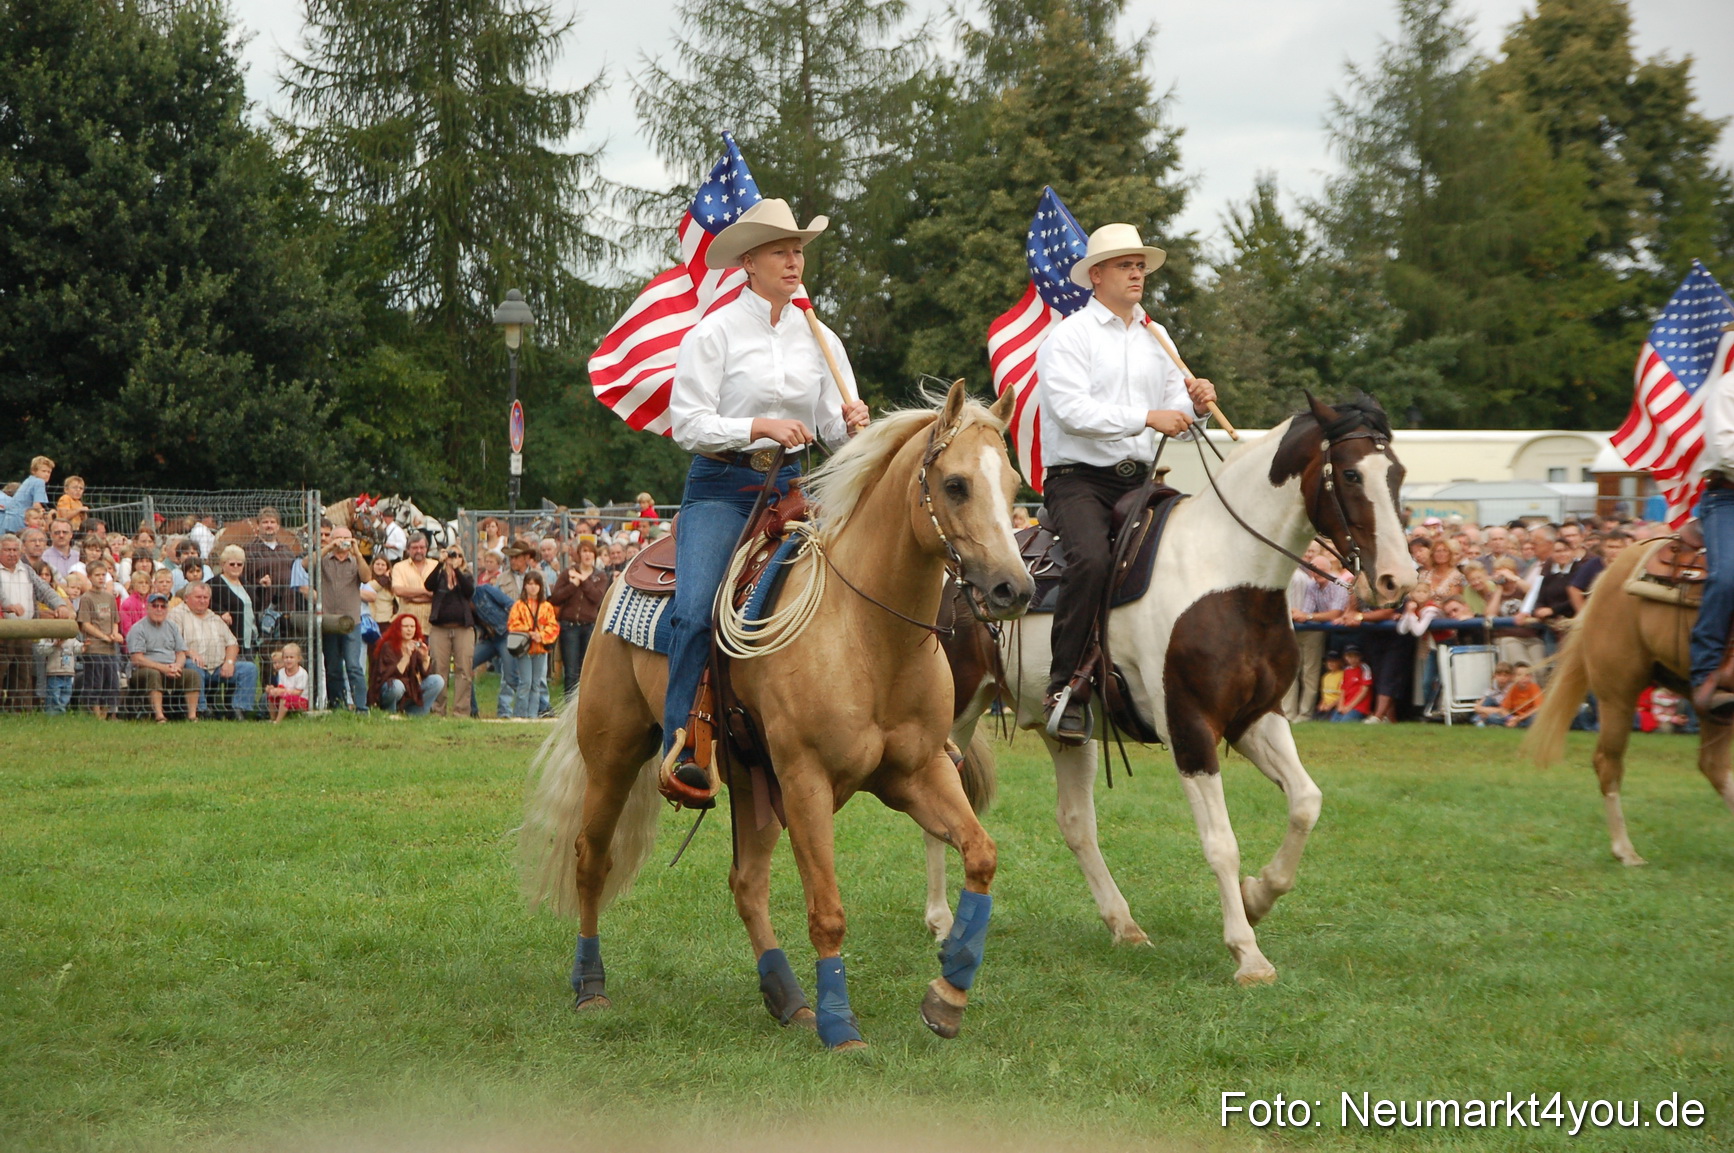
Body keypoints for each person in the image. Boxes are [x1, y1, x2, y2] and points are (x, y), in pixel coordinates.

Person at [660, 196, 869, 801]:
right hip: (724, 487)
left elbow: (833, 429)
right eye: (781, 250)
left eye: (798, 250)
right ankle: (683, 745)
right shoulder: (715, 332)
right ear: (748, 261)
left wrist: (851, 421)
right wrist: (757, 426)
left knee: (870, 575)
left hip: (797, 488)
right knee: (697, 609)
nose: (794, 260)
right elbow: (687, 425)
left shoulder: (820, 336)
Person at [1032, 221, 1217, 743]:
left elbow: (1174, 411)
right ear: (1096, 276)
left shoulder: (1158, 336)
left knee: (1190, 547)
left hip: (1142, 478)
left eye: (1140, 265)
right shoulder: (1069, 336)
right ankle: (1064, 686)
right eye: (1124, 265)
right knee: (1090, 558)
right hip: (1078, 481)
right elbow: (1071, 412)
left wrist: (1195, 406)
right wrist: (1148, 416)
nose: (1136, 273)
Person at [1, 532, 72, 712]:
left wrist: (60, 604)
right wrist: (6, 605)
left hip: (25, 630)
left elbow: (43, 589)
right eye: (7, 550)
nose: (12, 554)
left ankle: (20, 713)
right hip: (2, 631)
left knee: (23, 674)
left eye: (15, 550)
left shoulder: (26, 569)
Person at [170, 581, 258, 719]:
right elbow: (173, 641)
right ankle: (202, 710)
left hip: (218, 666)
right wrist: (189, 652)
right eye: (198, 597)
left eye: (205, 598)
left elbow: (232, 643)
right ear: (187, 598)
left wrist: (229, 662)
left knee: (249, 668)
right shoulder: (177, 615)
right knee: (192, 666)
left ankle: (239, 710)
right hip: (193, 665)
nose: (202, 601)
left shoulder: (215, 617)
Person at [1285, 547, 1349, 721]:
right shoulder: (1312, 585)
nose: (1316, 573)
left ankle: (1305, 714)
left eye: (1320, 570)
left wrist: (1307, 616)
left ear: (1328, 569)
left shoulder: (1338, 585)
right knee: (1293, 671)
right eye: (1313, 570)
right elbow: (1306, 610)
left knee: (1310, 674)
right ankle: (1289, 713)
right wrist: (1299, 614)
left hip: (1331, 634)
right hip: (1308, 629)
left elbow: (1335, 613)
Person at [319, 526, 373, 713]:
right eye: (339, 537)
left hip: (352, 623)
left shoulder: (355, 561)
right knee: (332, 666)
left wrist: (357, 553)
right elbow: (306, 565)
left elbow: (367, 577)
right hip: (329, 622)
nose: (342, 541)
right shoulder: (324, 559)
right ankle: (337, 705)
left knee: (353, 665)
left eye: (346, 538)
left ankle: (361, 707)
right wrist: (328, 547)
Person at [422, 544, 475, 717]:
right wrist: (440, 564)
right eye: (452, 555)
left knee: (464, 670)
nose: (454, 558)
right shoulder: (439, 576)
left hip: (463, 629)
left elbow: (469, 591)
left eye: (458, 555)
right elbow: (428, 586)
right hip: (440, 629)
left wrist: (456, 570)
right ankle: (438, 710)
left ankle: (461, 711)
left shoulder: (466, 576)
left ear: (462, 559)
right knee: (439, 668)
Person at [550, 538, 608, 696]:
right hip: (569, 627)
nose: (587, 555)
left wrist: (583, 581)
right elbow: (555, 597)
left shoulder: (600, 576)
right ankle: (569, 704)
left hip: (589, 626)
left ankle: (584, 703)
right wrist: (572, 585)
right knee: (571, 670)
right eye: (584, 551)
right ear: (579, 554)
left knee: (586, 669)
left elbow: (597, 598)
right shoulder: (568, 573)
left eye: (590, 551)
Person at [127, 592, 193, 722]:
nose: (159, 609)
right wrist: (163, 668)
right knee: (153, 674)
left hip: (170, 668)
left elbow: (181, 652)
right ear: (148, 607)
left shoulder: (172, 626)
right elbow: (137, 659)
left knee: (192, 675)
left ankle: (192, 716)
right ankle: (159, 715)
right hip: (143, 670)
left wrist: (177, 666)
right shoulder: (138, 628)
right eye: (155, 606)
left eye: (163, 606)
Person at [506, 570, 560, 719]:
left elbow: (553, 626)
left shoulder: (546, 606)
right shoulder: (519, 605)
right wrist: (529, 632)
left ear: (540, 587)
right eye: (529, 584)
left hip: (540, 648)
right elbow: (513, 624)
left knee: (537, 683)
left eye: (536, 584)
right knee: (525, 682)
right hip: (524, 648)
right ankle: (520, 714)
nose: (533, 587)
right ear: (525, 586)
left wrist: (541, 636)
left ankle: (533, 715)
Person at [369, 614, 444, 716]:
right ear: (398, 628)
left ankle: (415, 712)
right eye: (406, 626)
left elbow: (425, 674)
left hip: (409, 691)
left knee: (437, 680)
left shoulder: (415, 645)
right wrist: (406, 655)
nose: (409, 630)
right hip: (390, 688)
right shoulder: (388, 646)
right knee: (397, 686)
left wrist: (425, 658)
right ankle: (390, 712)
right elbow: (391, 675)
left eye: (412, 627)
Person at [77, 558, 125, 720]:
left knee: (111, 682)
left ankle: (107, 713)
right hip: (95, 647)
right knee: (95, 681)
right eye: (97, 575)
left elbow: (115, 620)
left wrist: (114, 634)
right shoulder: (87, 598)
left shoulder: (109, 597)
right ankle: (96, 714)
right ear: (89, 577)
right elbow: (85, 624)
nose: (101, 578)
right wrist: (103, 636)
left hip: (110, 649)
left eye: (103, 575)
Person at [242, 506, 297, 615]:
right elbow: (241, 580)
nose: (269, 525)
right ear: (258, 526)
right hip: (263, 609)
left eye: (272, 522)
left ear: (278, 527)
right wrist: (258, 584)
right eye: (265, 522)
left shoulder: (287, 551)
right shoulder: (249, 550)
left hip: (288, 608)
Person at [209, 545, 258, 651]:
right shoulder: (215, 583)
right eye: (232, 564)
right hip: (230, 639)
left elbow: (256, 604)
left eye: (239, 564)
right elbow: (205, 601)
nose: (236, 567)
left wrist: (262, 588)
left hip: (249, 636)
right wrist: (221, 611)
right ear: (223, 564)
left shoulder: (244, 583)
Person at [390, 532, 438, 630]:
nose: (419, 551)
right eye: (415, 548)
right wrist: (425, 592)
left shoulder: (436, 566)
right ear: (408, 549)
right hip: (407, 627)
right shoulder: (399, 567)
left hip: (432, 626)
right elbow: (399, 591)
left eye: (422, 547)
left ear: (427, 548)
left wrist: (414, 598)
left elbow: (440, 594)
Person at [0, 456, 52, 535]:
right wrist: (46, 516)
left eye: (49, 472)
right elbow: (36, 505)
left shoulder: (29, 480)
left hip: (10, 520)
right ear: (34, 471)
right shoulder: (39, 482)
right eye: (43, 471)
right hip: (21, 519)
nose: (46, 474)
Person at [266, 642, 309, 722]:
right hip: (286, 696)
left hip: (302, 701)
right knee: (272, 695)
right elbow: (281, 686)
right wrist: (274, 690)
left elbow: (298, 692)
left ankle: (278, 721)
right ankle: (272, 718)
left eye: (291, 657)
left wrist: (282, 691)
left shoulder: (302, 673)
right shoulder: (281, 672)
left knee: (284, 698)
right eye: (286, 657)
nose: (288, 660)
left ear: (298, 659)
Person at [1332, 646, 1372, 721]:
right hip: (1345, 705)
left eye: (1355, 656)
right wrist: (1341, 705)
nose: (1353, 659)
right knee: (1333, 723)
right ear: (1345, 657)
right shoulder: (1346, 670)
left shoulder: (1364, 668)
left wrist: (1349, 707)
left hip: (1359, 707)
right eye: (1350, 656)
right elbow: (1343, 689)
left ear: (1360, 657)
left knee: (1345, 722)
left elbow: (1364, 690)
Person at [1473, 662, 1517, 726]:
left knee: (1493, 717)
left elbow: (1505, 710)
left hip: (1506, 713)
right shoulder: (1493, 688)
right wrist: (1480, 708)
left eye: (1505, 675)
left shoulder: (1512, 689)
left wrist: (1483, 710)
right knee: (1489, 700)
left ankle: (1479, 720)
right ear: (1495, 676)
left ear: (1510, 677)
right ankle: (1481, 720)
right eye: (1499, 675)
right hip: (1494, 709)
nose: (1502, 678)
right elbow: (1477, 707)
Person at [1500, 662, 1543, 728]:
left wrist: (1520, 718)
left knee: (1536, 717)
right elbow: (1504, 709)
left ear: (1531, 677)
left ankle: (1516, 725)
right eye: (1520, 675)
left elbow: (1538, 708)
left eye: (1527, 675)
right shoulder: (1512, 689)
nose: (1524, 678)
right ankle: (1515, 724)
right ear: (1514, 677)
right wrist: (1510, 718)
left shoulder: (1534, 688)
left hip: (1527, 717)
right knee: (1493, 717)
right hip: (1515, 717)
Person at [366, 554, 397, 628]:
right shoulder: (367, 579)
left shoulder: (393, 582)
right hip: (370, 620)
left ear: (387, 567)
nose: (380, 567)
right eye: (377, 564)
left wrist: (393, 619)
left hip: (387, 621)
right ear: (373, 565)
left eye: (383, 565)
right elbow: (370, 588)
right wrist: (384, 578)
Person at [1315, 651, 1345, 719]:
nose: (1331, 664)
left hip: (1335, 705)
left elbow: (1342, 695)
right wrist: (1322, 704)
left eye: (1334, 661)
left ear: (1340, 662)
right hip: (1325, 705)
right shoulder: (1325, 677)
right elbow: (1324, 695)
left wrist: (1331, 705)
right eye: (1328, 661)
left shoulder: (1343, 675)